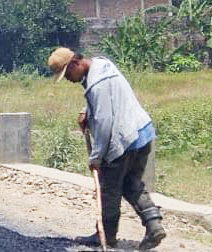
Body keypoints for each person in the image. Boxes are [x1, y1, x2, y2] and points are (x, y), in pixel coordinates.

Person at [48, 47, 165, 249]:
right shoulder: (103, 65)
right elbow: (108, 103)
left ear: (76, 63)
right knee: (131, 183)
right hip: (142, 131)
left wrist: (96, 158)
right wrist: (88, 112)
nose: (68, 79)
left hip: (124, 139)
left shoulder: (96, 85)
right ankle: (154, 225)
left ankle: (107, 236)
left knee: (109, 189)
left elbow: (104, 123)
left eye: (67, 74)